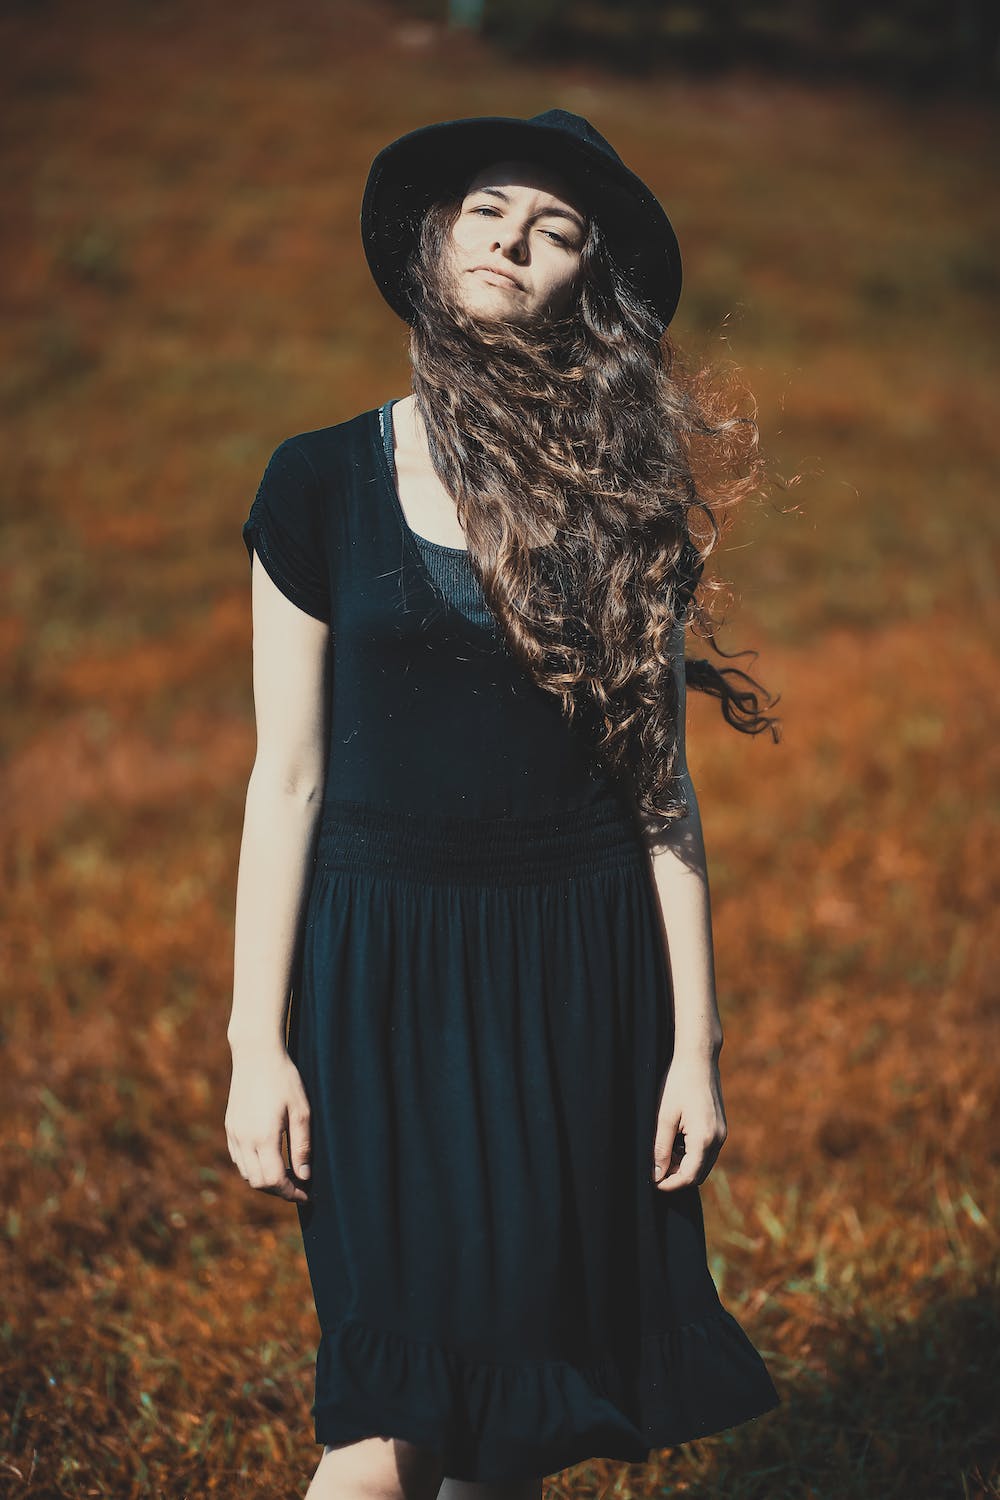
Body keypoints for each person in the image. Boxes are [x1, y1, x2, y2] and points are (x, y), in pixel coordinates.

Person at [225, 109, 782, 1500]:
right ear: (435, 239)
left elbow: (661, 788)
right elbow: (286, 775)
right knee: (379, 1425)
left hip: (574, 975)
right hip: (377, 977)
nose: (512, 237)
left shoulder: (623, 500)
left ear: (583, 282)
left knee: (506, 1437)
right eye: (488, 209)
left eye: (555, 229)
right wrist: (253, 1043)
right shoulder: (317, 482)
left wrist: (695, 1047)